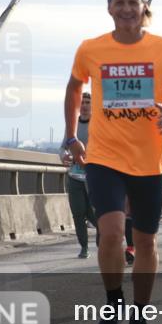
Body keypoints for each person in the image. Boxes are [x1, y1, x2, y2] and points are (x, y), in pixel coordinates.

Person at [65, 0, 162, 324]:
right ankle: (113, 303)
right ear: (109, 8)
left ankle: (139, 315)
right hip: (104, 156)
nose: (125, 9)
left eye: (131, 3)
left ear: (143, 8)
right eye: (118, 3)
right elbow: (74, 88)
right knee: (110, 233)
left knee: (146, 241)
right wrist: (72, 135)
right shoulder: (91, 48)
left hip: (149, 160)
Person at [60, 92, 97, 258]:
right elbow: (63, 148)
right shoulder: (72, 126)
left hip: (95, 177)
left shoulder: (99, 124)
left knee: (95, 215)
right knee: (78, 213)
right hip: (75, 177)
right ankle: (84, 247)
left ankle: (103, 240)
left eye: (88, 102)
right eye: (82, 102)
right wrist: (64, 156)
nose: (84, 105)